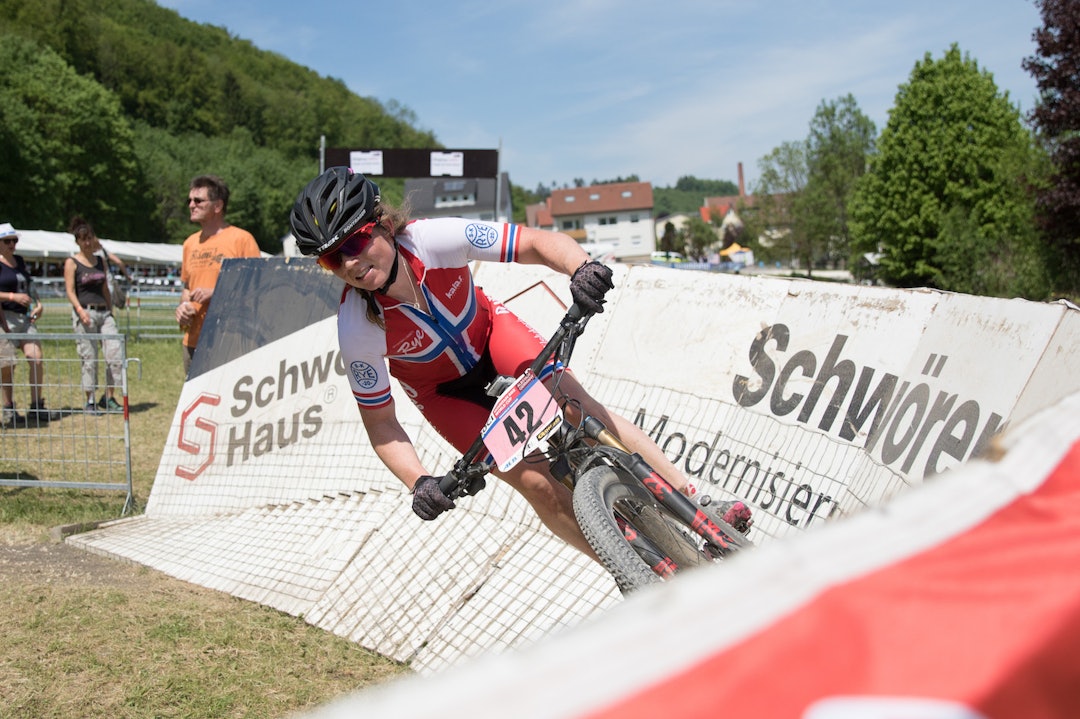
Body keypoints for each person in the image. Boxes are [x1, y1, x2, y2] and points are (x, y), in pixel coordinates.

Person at [288, 168, 751, 562]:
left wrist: (580, 267)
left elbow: (534, 242)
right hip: (447, 395)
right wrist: (418, 481)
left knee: (575, 405)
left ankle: (699, 503)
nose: (350, 261)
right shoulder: (357, 327)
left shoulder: (432, 240)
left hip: (493, 338)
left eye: (357, 242)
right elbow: (382, 424)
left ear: (383, 225)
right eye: (333, 258)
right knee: (536, 481)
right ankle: (631, 566)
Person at [174, 175, 261, 376]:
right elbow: (187, 288)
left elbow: (257, 289)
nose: (191, 205)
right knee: (196, 405)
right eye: (189, 200)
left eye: (198, 200)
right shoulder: (189, 243)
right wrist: (182, 307)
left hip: (230, 341)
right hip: (193, 341)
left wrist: (216, 293)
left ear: (217, 206)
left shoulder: (242, 239)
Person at [0, 223, 58, 426]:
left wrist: (39, 304)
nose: (12, 245)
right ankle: (8, 407)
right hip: (3, 317)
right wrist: (12, 297)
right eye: (7, 241)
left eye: (14, 240)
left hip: (25, 319)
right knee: (7, 364)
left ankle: (36, 405)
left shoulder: (20, 262)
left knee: (36, 357)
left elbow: (29, 286)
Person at [64, 216, 124, 414]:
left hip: (103, 312)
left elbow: (105, 288)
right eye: (83, 239)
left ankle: (108, 397)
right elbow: (70, 291)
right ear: (78, 241)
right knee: (89, 358)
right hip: (85, 312)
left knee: (115, 354)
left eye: (89, 238)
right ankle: (89, 400)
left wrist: (110, 310)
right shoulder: (72, 262)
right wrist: (80, 311)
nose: (87, 243)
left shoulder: (100, 261)